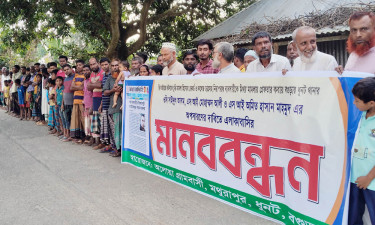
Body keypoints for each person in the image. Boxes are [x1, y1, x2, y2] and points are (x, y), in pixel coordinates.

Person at [349, 77, 375, 225]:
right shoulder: (360, 115)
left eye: (357, 100)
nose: (354, 103)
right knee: (353, 218)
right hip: (355, 178)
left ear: (371, 103)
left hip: (371, 182)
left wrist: (369, 178)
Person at [103, 58, 123, 157]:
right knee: (115, 130)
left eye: (117, 65)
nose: (115, 67)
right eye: (113, 66)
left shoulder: (125, 77)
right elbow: (105, 92)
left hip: (123, 108)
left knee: (120, 130)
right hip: (113, 108)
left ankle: (121, 150)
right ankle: (117, 149)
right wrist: (113, 90)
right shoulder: (110, 79)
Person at [87, 57, 105, 149]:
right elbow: (88, 87)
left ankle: (103, 142)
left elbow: (101, 85)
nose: (92, 66)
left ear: (97, 63)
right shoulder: (92, 74)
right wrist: (95, 85)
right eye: (91, 64)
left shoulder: (103, 72)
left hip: (102, 99)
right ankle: (98, 142)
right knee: (96, 122)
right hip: (95, 99)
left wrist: (93, 85)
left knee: (102, 121)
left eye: (94, 64)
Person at [69, 60, 86, 143]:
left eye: (80, 65)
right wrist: (78, 87)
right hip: (76, 99)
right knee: (76, 119)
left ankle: (86, 137)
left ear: (83, 66)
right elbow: (71, 88)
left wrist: (77, 87)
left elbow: (82, 87)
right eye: (77, 65)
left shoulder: (85, 75)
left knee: (83, 118)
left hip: (83, 99)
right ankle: (78, 136)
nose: (78, 66)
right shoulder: (76, 76)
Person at [61, 64, 75, 142]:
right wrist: (62, 103)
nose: (66, 71)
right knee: (67, 119)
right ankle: (68, 134)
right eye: (65, 70)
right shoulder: (65, 79)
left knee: (73, 119)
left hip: (73, 102)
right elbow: (64, 92)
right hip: (66, 103)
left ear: (71, 69)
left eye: (67, 69)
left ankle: (72, 135)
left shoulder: (75, 77)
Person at [82, 65, 93, 145]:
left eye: (87, 70)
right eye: (84, 70)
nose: (85, 72)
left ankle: (93, 138)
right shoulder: (85, 81)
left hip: (91, 104)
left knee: (92, 121)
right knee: (87, 122)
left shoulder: (91, 80)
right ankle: (88, 136)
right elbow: (84, 93)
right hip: (86, 103)